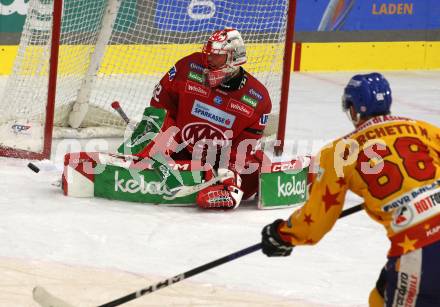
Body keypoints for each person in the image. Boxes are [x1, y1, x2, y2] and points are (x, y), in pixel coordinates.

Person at [260, 72, 440, 307]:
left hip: (420, 248)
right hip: (422, 246)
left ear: (353, 109)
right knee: (379, 297)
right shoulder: (425, 130)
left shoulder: (339, 152)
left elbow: (317, 220)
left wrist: (284, 234)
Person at [135, 28, 272, 209]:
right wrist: (160, 140)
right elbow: (161, 108)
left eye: (217, 56)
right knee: (146, 145)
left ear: (234, 58)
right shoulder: (187, 67)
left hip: (217, 163)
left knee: (253, 171)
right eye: (208, 54)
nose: (209, 60)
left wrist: (227, 171)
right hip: (179, 150)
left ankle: (228, 187)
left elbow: (243, 148)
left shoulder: (257, 99)